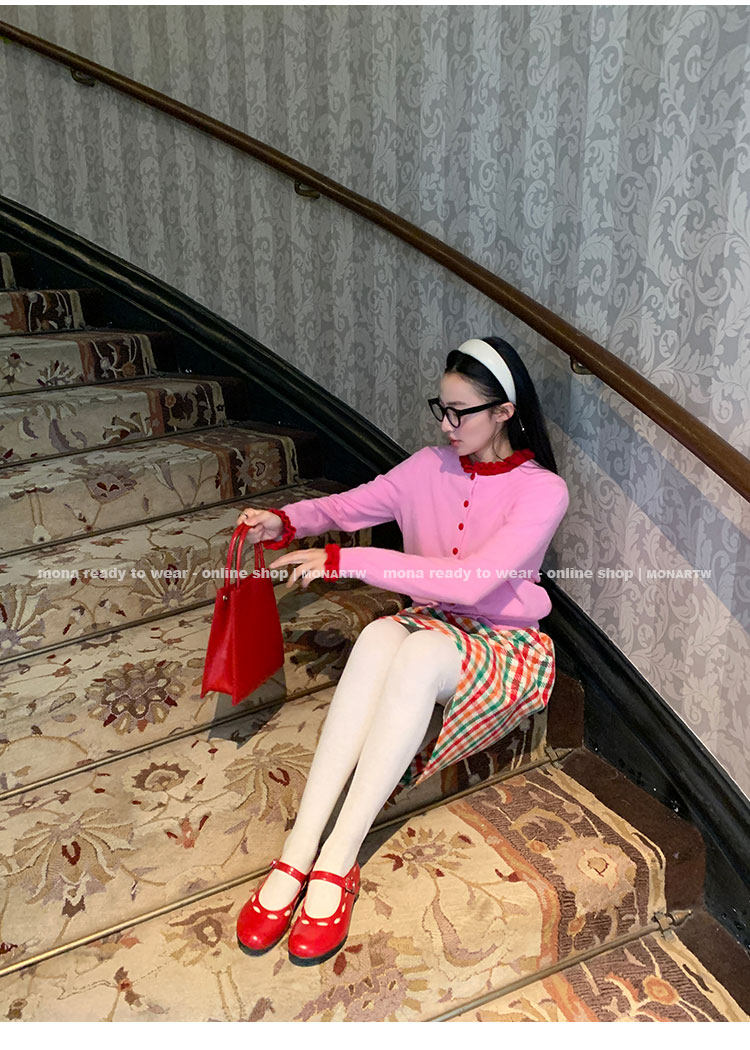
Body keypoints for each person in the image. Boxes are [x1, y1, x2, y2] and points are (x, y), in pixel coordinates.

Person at [233, 336, 569, 966]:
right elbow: (350, 505)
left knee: (415, 654)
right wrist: (287, 521)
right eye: (441, 409)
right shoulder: (427, 467)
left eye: (460, 413)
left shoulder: (543, 490)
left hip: (507, 642)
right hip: (432, 622)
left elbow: (473, 582)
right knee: (379, 635)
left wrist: (347, 560)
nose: (446, 426)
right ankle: (298, 850)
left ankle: (338, 860)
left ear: (504, 412)